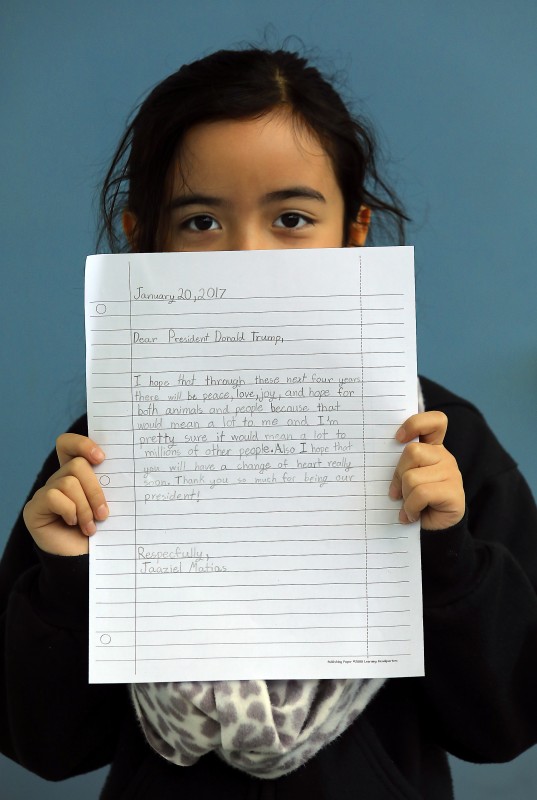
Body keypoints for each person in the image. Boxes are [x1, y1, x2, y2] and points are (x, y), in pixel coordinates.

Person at [1, 46, 536, 799]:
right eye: (200, 222)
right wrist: (64, 579)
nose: (247, 256)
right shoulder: (101, 452)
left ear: (354, 230)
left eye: (291, 218)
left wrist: (446, 553)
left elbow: (505, 725)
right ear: (142, 238)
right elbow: (45, 747)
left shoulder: (441, 444)